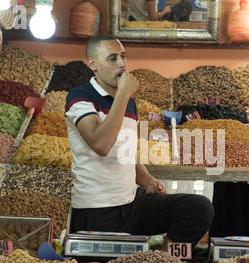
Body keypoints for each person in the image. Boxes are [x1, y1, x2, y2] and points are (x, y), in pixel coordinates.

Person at [65, 34, 214, 249]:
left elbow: (127, 154)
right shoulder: (80, 98)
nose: (122, 64)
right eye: (112, 58)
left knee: (199, 208)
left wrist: (149, 181)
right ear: (93, 64)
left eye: (124, 57)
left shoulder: (129, 103)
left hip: (132, 202)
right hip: (97, 208)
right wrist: (123, 95)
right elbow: (101, 144)